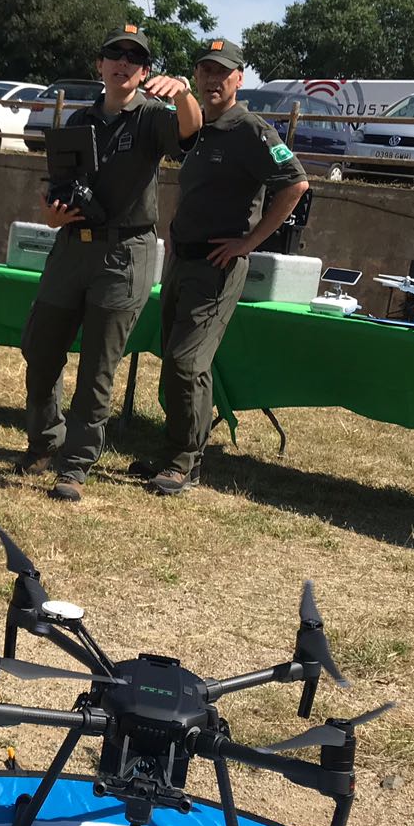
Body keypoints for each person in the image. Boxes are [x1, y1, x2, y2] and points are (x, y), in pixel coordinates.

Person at [18, 25, 201, 502]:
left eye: (134, 58)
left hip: (125, 253)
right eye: (113, 55)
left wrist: (182, 91)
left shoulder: (152, 117)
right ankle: (44, 442)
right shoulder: (79, 118)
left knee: (99, 366)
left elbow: (190, 130)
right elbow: (55, 186)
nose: (123, 62)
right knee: (40, 349)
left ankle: (75, 465)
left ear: (143, 72)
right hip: (72, 245)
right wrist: (50, 212)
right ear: (99, 65)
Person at [133, 38, 309, 496]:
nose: (213, 80)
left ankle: (182, 463)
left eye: (222, 72)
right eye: (205, 71)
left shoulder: (252, 131)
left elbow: (296, 184)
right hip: (181, 260)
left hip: (216, 267)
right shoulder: (196, 129)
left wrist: (249, 242)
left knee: (186, 361)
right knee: (181, 363)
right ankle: (176, 449)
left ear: (239, 78)